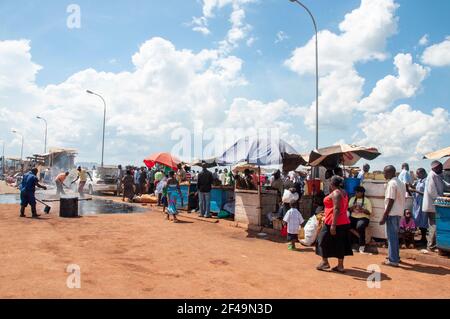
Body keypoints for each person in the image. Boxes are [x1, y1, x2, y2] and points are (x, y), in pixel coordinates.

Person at [316, 176, 352, 273]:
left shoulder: (336, 193)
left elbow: (336, 208)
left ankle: (325, 262)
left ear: (332, 183)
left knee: (321, 240)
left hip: (333, 222)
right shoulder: (343, 192)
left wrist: (333, 225)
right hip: (343, 221)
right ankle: (340, 266)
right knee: (339, 243)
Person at [380, 165, 406, 267]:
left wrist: (384, 215)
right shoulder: (400, 183)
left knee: (392, 237)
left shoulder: (392, 183)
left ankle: (393, 260)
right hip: (398, 213)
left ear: (390, 172)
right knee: (394, 236)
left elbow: (391, 200)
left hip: (392, 213)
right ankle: (395, 257)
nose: (384, 174)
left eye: (385, 172)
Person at [422, 161, 450, 253]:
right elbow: (432, 191)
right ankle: (431, 246)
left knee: (435, 225)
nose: (441, 170)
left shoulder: (438, 175)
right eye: (440, 168)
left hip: (436, 203)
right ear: (435, 168)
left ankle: (434, 245)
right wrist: (440, 198)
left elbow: (444, 184)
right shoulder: (431, 176)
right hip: (432, 204)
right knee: (434, 225)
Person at [348, 186, 372, 254]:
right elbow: (348, 209)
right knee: (346, 225)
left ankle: (362, 245)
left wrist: (362, 209)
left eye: (358, 192)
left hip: (363, 217)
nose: (356, 193)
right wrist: (353, 207)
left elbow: (369, 212)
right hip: (353, 217)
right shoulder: (352, 199)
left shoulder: (367, 200)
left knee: (360, 226)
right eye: (355, 192)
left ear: (362, 193)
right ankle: (350, 244)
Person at [409, 168, 428, 245]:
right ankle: (420, 239)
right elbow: (417, 189)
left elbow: (426, 193)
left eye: (418, 173)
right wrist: (411, 187)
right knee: (416, 220)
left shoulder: (426, 181)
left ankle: (424, 239)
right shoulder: (419, 181)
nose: (416, 175)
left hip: (422, 203)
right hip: (417, 203)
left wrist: (415, 191)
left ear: (422, 173)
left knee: (423, 221)